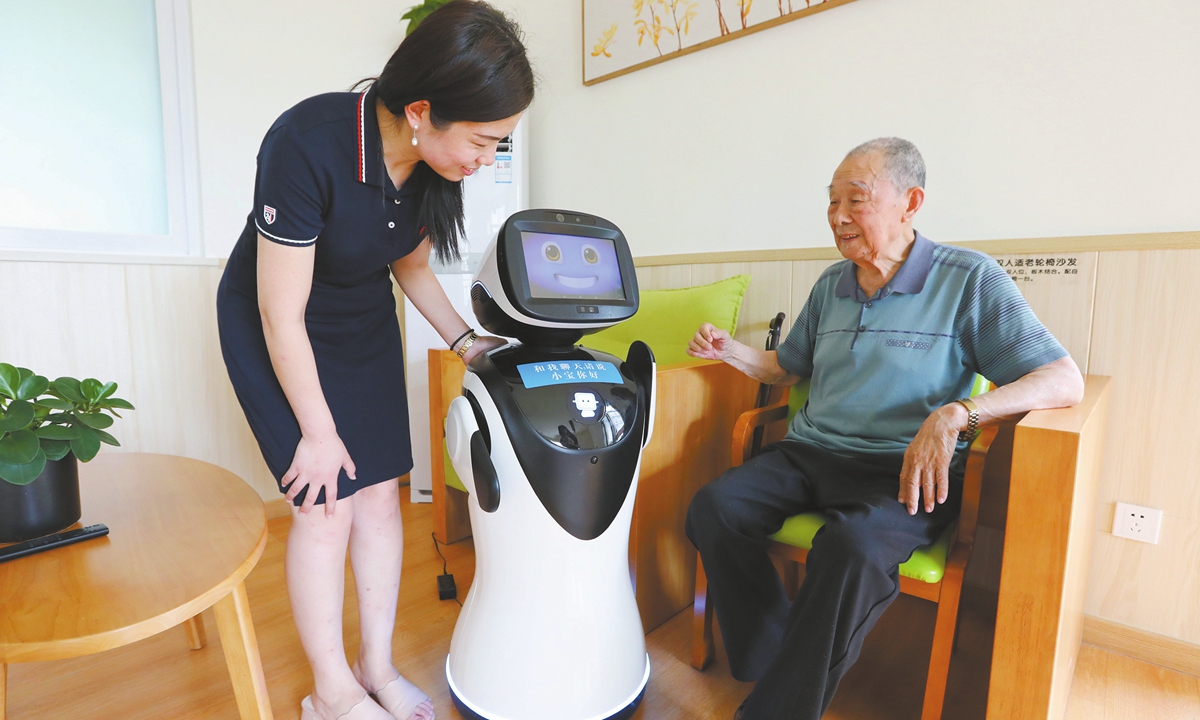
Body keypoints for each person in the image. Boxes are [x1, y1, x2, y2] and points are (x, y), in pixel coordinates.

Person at [685, 138, 1085, 720]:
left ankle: (778, 709)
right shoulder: (831, 285)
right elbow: (788, 367)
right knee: (713, 507)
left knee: (848, 549)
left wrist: (960, 413)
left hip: (904, 469)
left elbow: (1062, 378)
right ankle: (775, 655)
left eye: (856, 199)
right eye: (831, 201)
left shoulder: (968, 279)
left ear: (910, 202)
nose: (838, 216)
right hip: (810, 453)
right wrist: (731, 352)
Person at [215, 3, 534, 719]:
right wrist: (319, 432)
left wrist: (464, 341)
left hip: (359, 321)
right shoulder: (309, 140)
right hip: (275, 321)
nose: (487, 160)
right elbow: (280, 312)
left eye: (500, 144)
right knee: (326, 504)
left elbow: (412, 270)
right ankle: (329, 693)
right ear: (421, 109)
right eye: (484, 140)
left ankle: (376, 666)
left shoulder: (429, 168)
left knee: (381, 499)